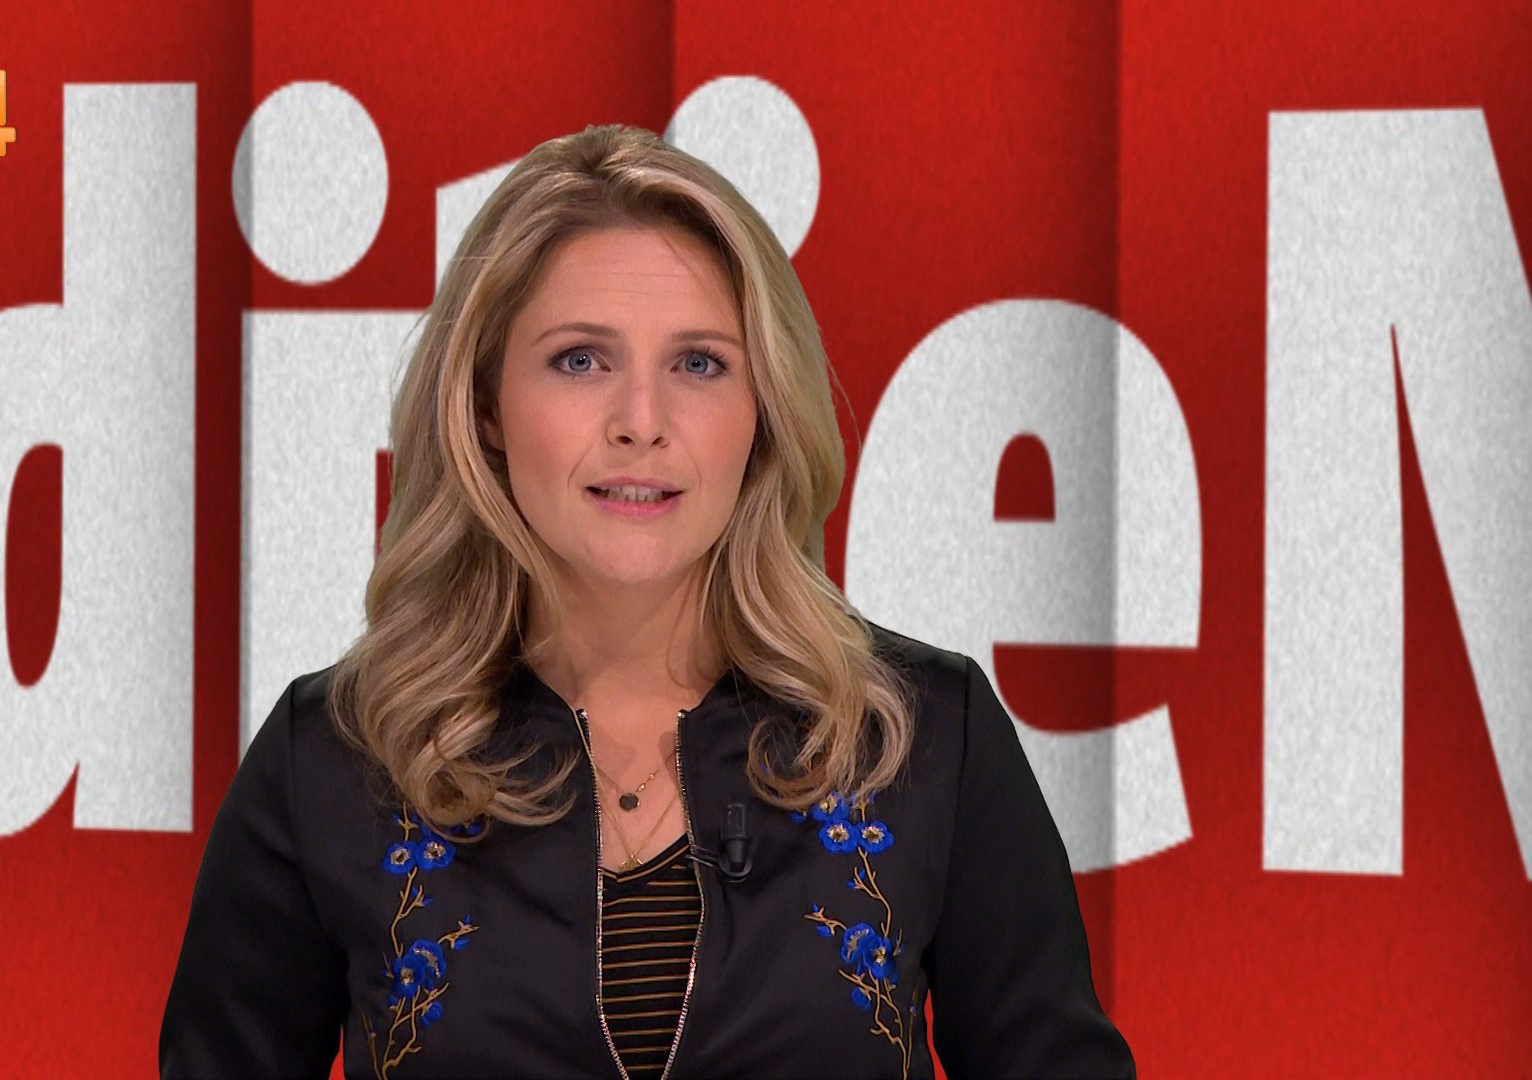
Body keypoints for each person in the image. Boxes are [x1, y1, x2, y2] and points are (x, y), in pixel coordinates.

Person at [159, 122, 1134, 1080]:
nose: (641, 422)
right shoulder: (335, 757)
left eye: (698, 364)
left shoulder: (922, 739)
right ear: (487, 406)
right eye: (581, 360)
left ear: (762, 412)